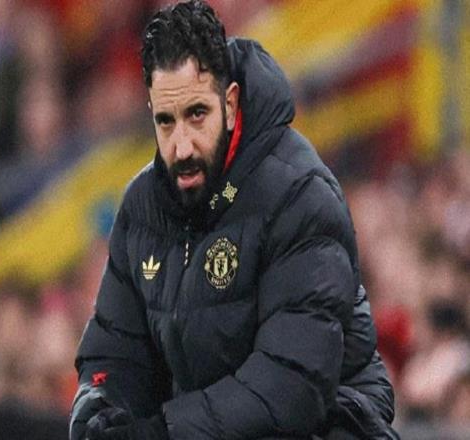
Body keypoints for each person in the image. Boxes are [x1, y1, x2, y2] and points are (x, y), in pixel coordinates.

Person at [69, 1, 398, 439]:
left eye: (196, 115)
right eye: (165, 122)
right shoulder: (142, 208)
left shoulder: (300, 196)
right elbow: (112, 354)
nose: (181, 146)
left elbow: (291, 388)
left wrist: (165, 431)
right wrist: (98, 411)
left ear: (230, 102)